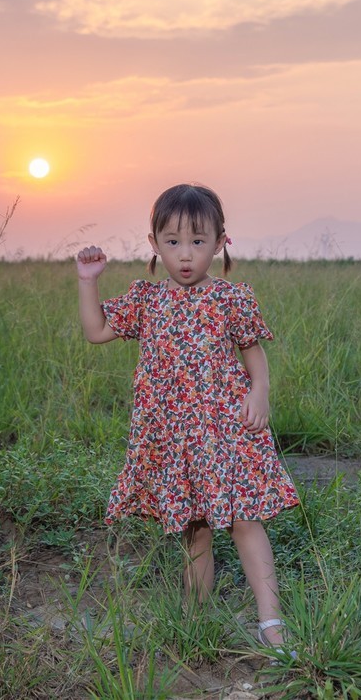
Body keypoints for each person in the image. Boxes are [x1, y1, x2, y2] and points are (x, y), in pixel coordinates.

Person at [77, 183, 300, 652]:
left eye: (198, 242)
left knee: (245, 519)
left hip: (225, 429)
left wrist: (259, 392)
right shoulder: (146, 300)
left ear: (220, 242)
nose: (185, 255)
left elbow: (253, 353)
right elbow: (96, 331)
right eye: (173, 241)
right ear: (154, 243)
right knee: (192, 526)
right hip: (171, 432)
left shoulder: (231, 298)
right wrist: (88, 279)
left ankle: (271, 620)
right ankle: (196, 617)